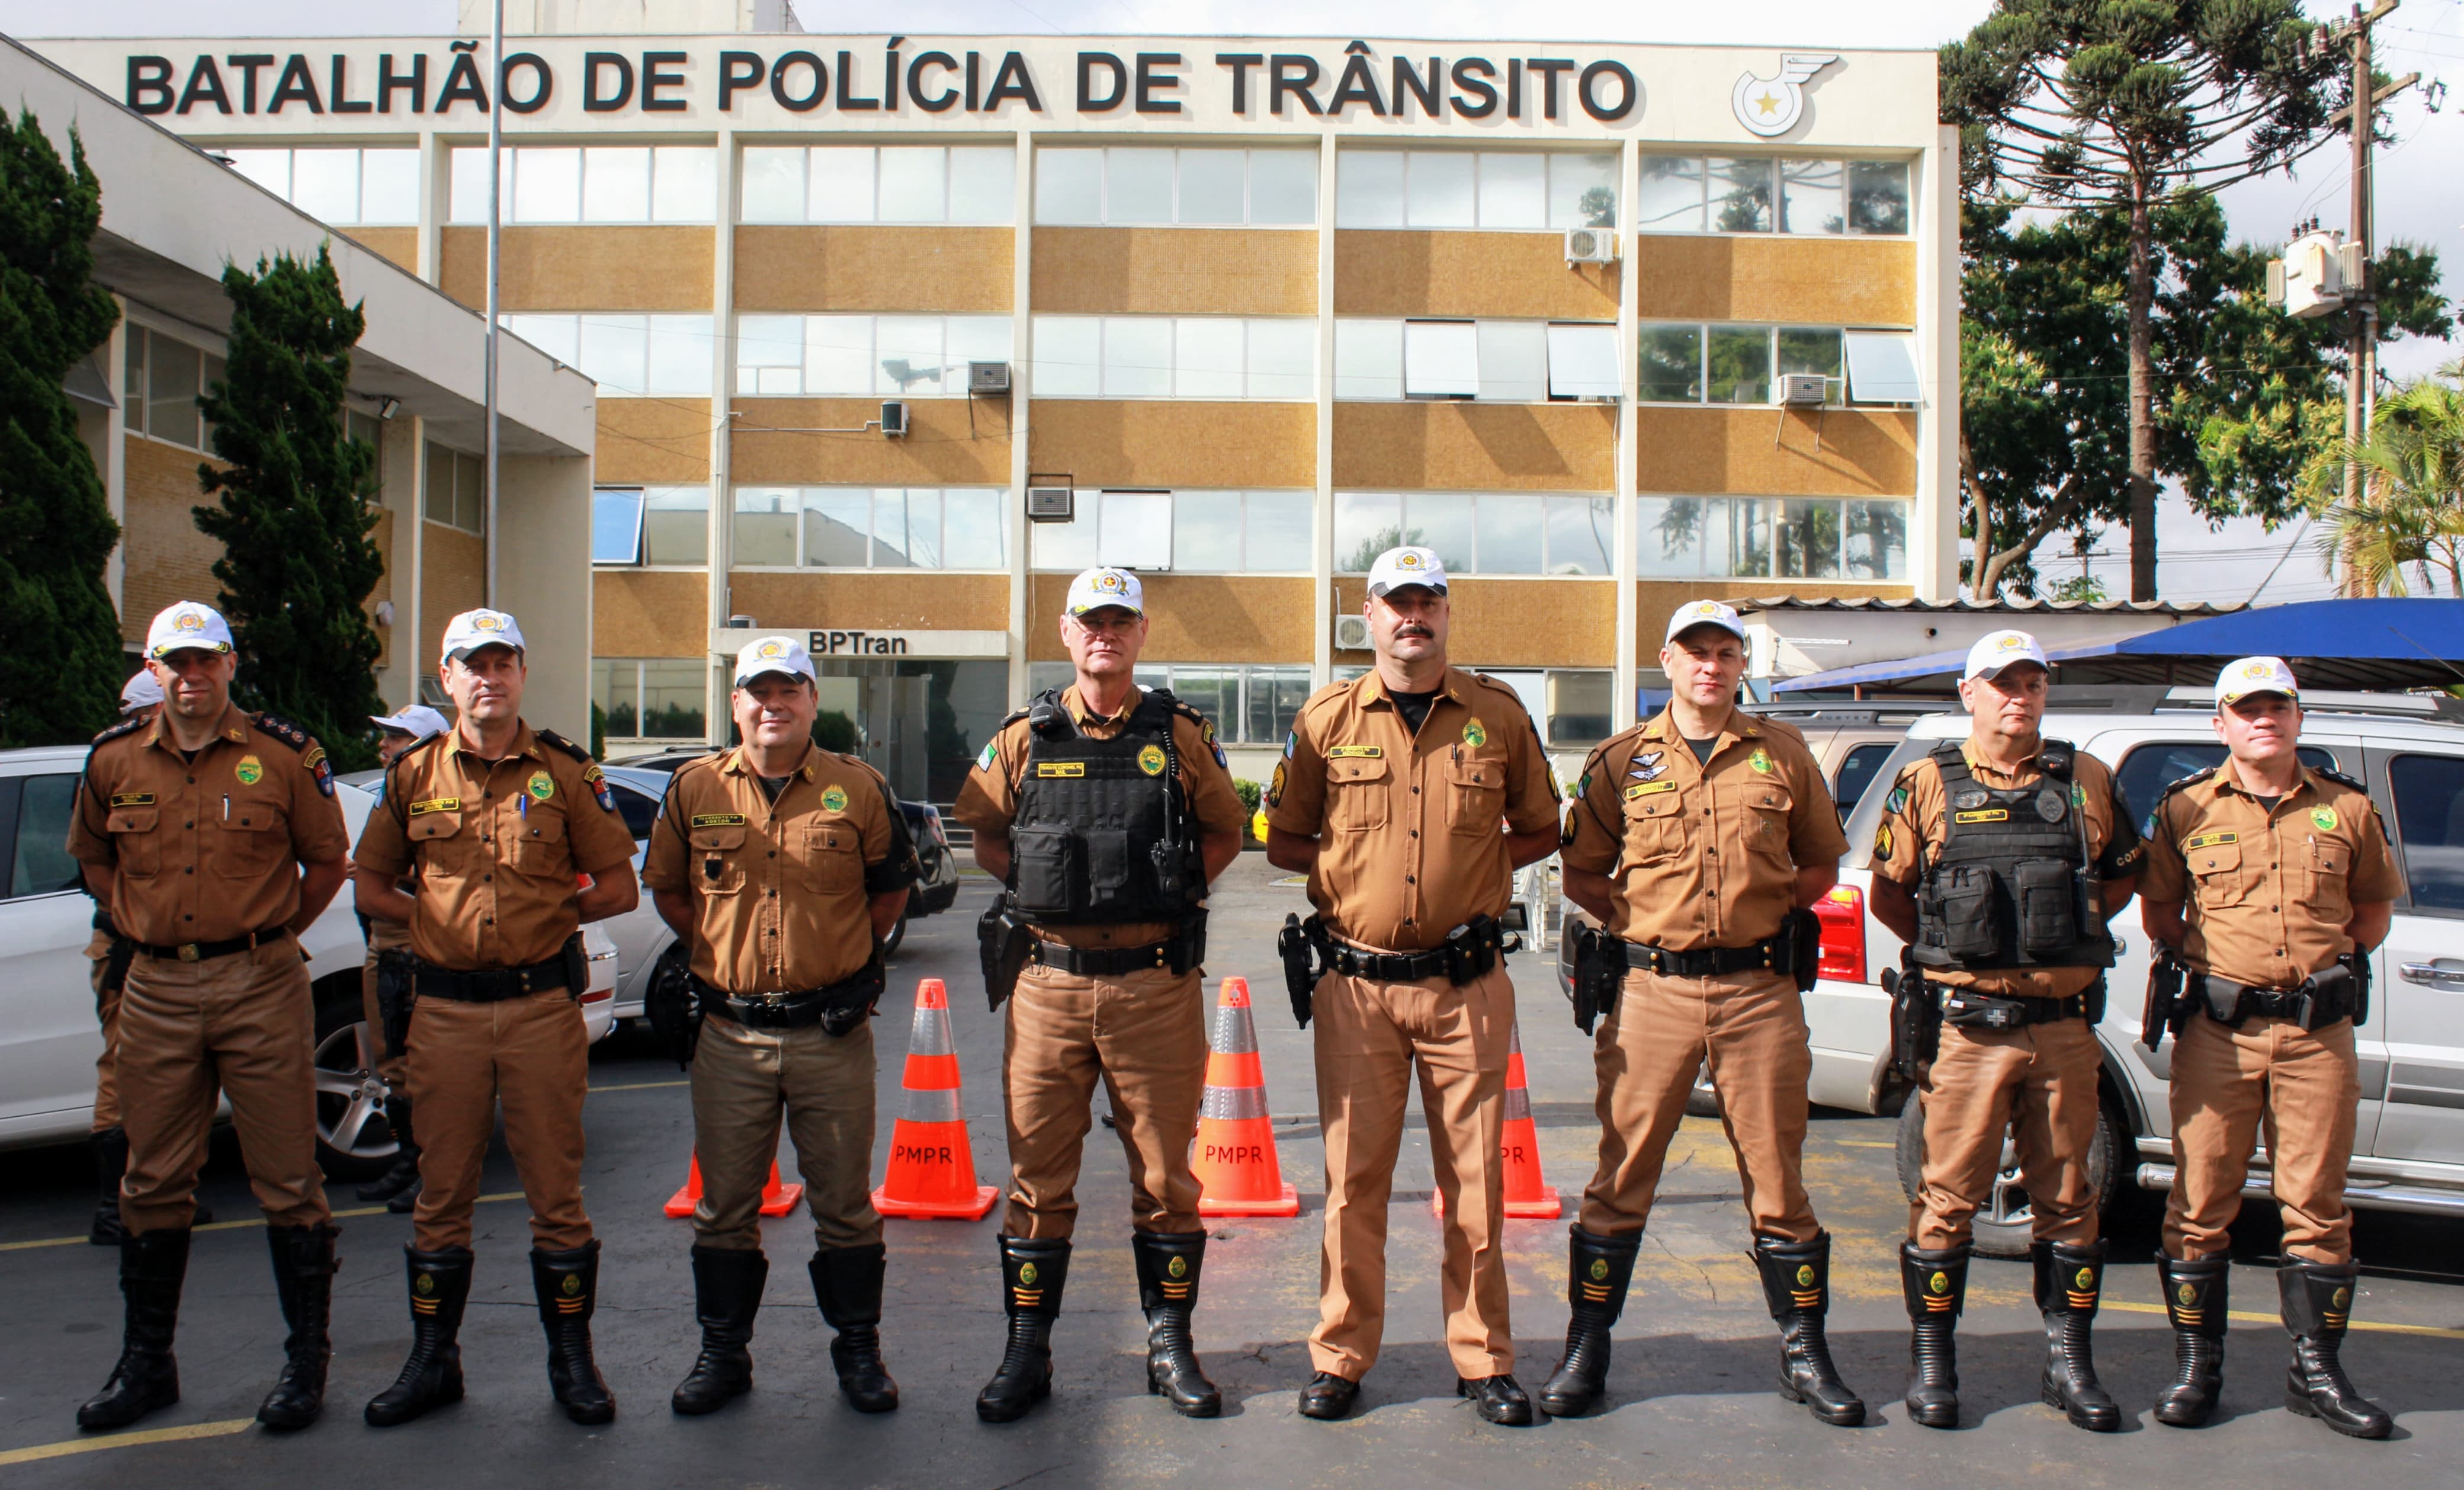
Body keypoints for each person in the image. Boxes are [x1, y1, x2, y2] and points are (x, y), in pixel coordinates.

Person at [1264, 547, 1561, 1427]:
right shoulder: (1325, 719)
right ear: (1369, 614)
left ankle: (1483, 1358)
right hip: (1356, 987)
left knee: (1477, 1183)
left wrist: (1466, 874)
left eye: (1427, 600)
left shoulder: (1498, 716)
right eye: (1397, 602)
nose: (1412, 617)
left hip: (1465, 986)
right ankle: (1341, 1353)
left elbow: (1540, 828)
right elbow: (1284, 839)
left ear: (1445, 612)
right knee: (1353, 1181)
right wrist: (1362, 875)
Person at [1545, 600, 1860, 1425]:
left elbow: (1821, 861)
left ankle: (1803, 1347)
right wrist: (1650, 929)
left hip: (1759, 993)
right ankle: (1587, 1344)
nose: (1711, 666)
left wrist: (1751, 919)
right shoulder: (1620, 761)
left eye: (1725, 652)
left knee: (1779, 1175)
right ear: (1668, 661)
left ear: (1740, 663)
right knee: (1621, 1173)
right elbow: (1583, 874)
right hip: (1653, 992)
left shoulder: (1783, 753)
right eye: (1696, 653)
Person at [952, 568, 1247, 1423]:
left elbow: (1226, 829)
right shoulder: (1023, 735)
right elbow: (985, 836)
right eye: (1091, 621)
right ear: (1067, 631)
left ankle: (1171, 1342)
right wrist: (1062, 899)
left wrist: (1162, 895)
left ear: (1141, 632)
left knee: (1166, 1176)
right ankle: (1026, 1349)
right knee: (1038, 1177)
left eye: (1120, 620)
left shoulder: (1179, 733)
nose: (1105, 634)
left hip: (1155, 986)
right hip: (1047, 985)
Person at [66, 601, 351, 1431]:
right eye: (175, 663)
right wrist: (134, 918)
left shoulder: (284, 754)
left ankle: (305, 1365)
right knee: (151, 1181)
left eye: (206, 661)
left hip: (260, 982)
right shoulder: (113, 759)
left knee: (288, 1180)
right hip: (154, 987)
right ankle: (146, 1363)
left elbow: (327, 858)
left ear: (231, 663)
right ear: (153, 670)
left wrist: (273, 935)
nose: (191, 678)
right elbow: (92, 855)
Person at [351, 609, 640, 1427]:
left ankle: (573, 1362)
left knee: (556, 1191)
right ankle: (432, 1360)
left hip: (540, 1008)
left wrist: (550, 910)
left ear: (521, 671)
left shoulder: (563, 772)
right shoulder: (412, 775)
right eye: (470, 664)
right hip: (442, 1010)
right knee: (440, 1194)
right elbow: (372, 885)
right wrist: (434, 922)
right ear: (445, 679)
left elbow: (617, 885)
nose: (488, 677)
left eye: (501, 661)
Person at [1867, 629, 2142, 1432]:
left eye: (2032, 681)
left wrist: (2054, 945)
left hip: (2061, 1029)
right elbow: (1894, 894)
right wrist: (1961, 950)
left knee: (2070, 1199)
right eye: (2002, 682)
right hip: (1970, 1031)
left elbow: (2121, 876)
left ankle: (2069, 1363)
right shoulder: (1927, 782)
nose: (2018, 696)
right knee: (1947, 1198)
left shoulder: (2084, 776)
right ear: (1969, 692)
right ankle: (1934, 1363)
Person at [645, 636, 920, 1417]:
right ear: (736, 703)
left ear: (812, 697)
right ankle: (723, 1352)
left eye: (788, 689)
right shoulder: (694, 788)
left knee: (845, 1203)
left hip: (828, 1032)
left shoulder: (857, 788)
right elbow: (669, 890)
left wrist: (838, 962)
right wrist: (719, 953)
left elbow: (889, 890)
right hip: (728, 1034)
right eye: (757, 691)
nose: (773, 704)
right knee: (725, 1204)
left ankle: (859, 1351)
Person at [2138, 656, 2400, 1439]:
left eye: (2277, 706)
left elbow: (2371, 916)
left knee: (2317, 1207)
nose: (2264, 720)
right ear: (2221, 723)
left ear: (2297, 717)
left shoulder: (2347, 809)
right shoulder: (2185, 807)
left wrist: (2307, 978)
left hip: (2316, 1036)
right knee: (2199, 1204)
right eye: (2247, 708)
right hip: (2219, 1031)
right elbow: (2161, 913)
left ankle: (2314, 1369)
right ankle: (2197, 1365)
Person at [85, 669, 187, 1247]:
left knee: (170, 1075)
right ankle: (112, 1206)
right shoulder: (114, 766)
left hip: (160, 944)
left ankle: (161, 1193)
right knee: (124, 1071)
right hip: (130, 942)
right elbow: (96, 867)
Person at [354, 704, 451, 1215]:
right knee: (390, 1059)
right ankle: (407, 1159)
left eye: (398, 737)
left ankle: (429, 1171)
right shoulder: (390, 794)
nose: (386, 746)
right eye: (387, 736)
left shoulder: (438, 795)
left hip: (417, 944)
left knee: (422, 1065)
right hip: (384, 942)